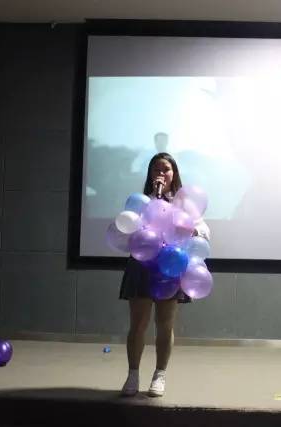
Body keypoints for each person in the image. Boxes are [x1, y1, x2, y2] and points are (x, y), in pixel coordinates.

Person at [120, 152, 209, 397]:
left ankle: (159, 375)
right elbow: (128, 231)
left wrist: (190, 230)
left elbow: (203, 230)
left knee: (164, 324)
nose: (161, 173)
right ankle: (132, 375)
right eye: (156, 169)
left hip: (170, 266)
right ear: (150, 174)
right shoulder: (142, 202)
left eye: (166, 169)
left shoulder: (183, 204)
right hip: (142, 265)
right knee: (138, 324)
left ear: (174, 174)